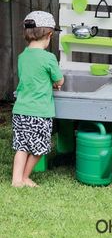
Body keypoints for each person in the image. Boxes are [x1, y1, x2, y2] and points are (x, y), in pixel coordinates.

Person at [12, 11, 64, 187]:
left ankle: (16, 180)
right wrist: (56, 83)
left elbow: (31, 78)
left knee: (21, 147)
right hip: (39, 112)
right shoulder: (49, 58)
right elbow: (59, 80)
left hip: (20, 110)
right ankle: (25, 177)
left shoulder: (22, 57)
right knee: (39, 149)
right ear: (49, 35)